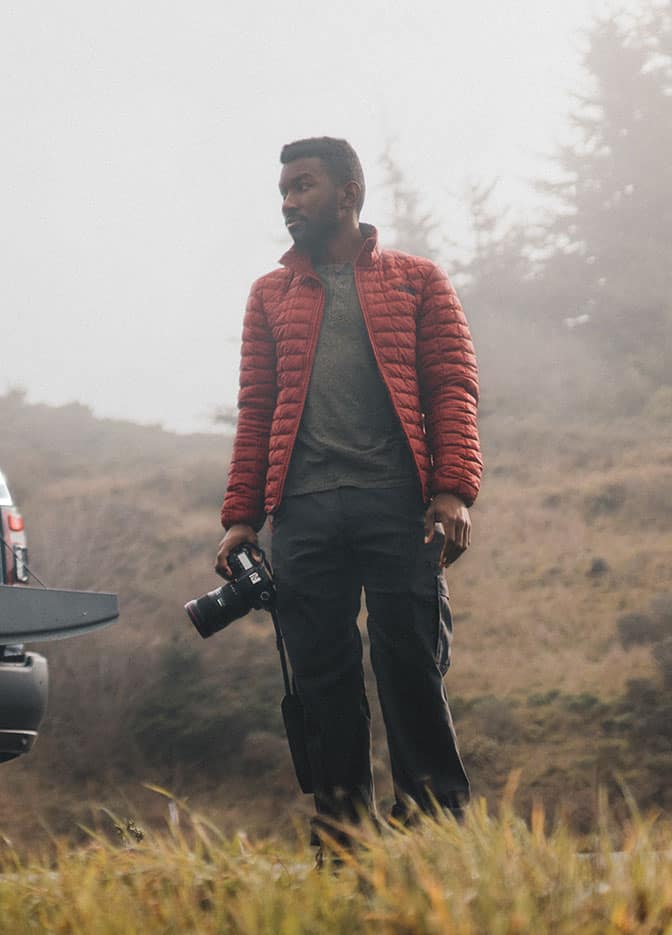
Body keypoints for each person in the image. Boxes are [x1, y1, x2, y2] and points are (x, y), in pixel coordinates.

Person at [216, 137, 483, 839]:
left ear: (348, 192)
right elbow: (257, 405)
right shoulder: (268, 295)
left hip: (397, 504)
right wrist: (241, 517)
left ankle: (436, 829)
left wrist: (453, 490)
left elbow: (450, 387)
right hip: (301, 512)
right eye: (284, 190)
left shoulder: (419, 280)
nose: (288, 202)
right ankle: (344, 836)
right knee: (321, 683)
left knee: (411, 665)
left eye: (303, 186)